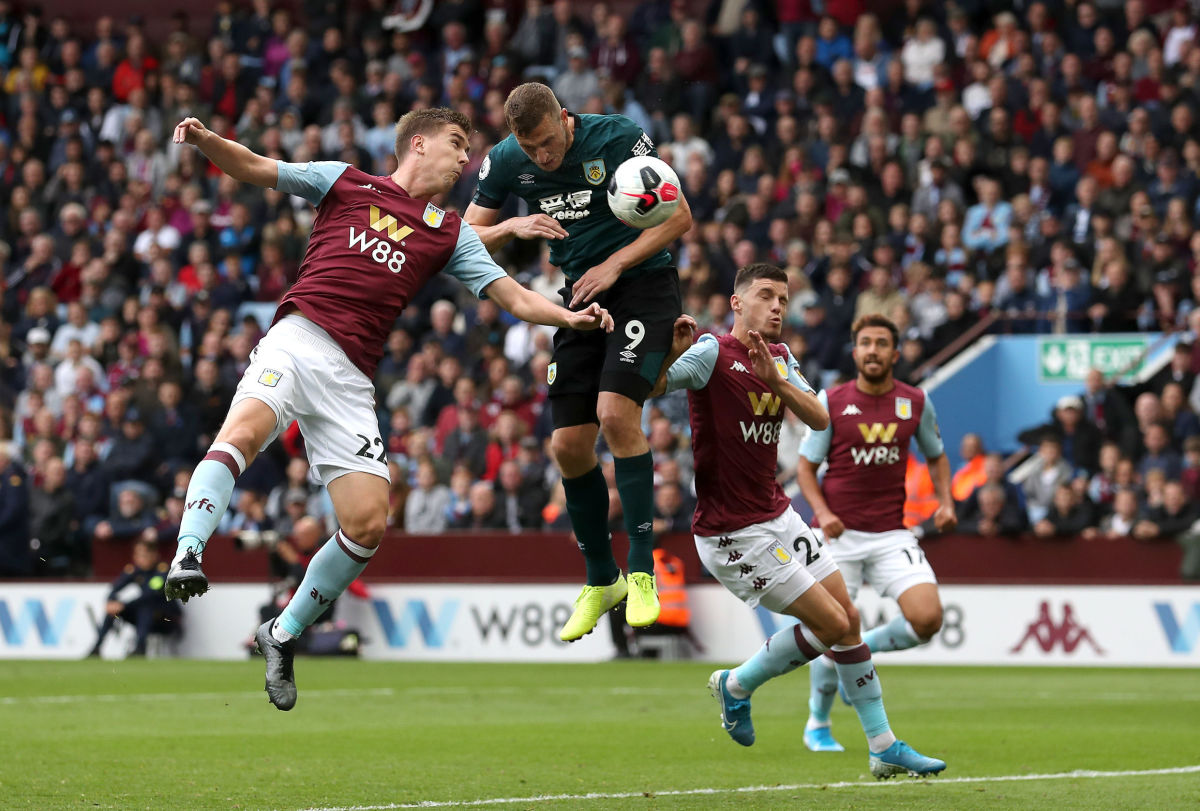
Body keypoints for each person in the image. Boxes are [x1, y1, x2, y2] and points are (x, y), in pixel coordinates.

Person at [164, 108, 614, 711]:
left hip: (351, 378)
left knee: (369, 522)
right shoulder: (343, 181)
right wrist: (203, 139)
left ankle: (282, 632)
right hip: (298, 340)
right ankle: (189, 551)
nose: (464, 160)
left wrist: (570, 316)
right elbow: (251, 166)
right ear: (417, 144)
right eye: (457, 145)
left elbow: (513, 296)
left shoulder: (447, 232)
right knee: (244, 431)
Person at [653, 264, 945, 779]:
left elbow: (818, 416)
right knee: (831, 624)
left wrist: (776, 382)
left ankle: (882, 746)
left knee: (847, 619)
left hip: (777, 513)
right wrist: (673, 352)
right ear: (737, 303)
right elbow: (650, 389)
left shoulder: (782, 357)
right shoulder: (711, 353)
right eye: (766, 296)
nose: (777, 308)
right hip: (731, 531)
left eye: (783, 299)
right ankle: (739, 684)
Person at [464, 82, 694, 640]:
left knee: (616, 414)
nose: (541, 157)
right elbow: (466, 234)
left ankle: (641, 571)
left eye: (547, 143)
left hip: (641, 284)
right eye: (530, 148)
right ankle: (602, 579)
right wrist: (510, 226)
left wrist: (614, 265)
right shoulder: (505, 161)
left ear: (565, 120)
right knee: (565, 445)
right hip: (579, 297)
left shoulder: (615, 137)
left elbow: (679, 216)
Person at [797, 313, 957, 753]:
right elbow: (805, 468)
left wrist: (946, 501)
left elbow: (938, 455)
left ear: (895, 353)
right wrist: (823, 512)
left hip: (891, 534)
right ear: (855, 351)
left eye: (881, 343)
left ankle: (863, 648)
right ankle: (818, 722)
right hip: (838, 535)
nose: (872, 350)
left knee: (927, 619)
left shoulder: (916, 402)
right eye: (865, 342)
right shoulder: (831, 400)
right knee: (830, 630)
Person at [88, 539, 182, 657]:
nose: (138, 558)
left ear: (154, 555)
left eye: (143, 555)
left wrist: (123, 605)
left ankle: (140, 648)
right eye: (137, 555)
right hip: (142, 617)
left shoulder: (163, 570)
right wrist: (112, 601)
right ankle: (97, 647)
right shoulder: (135, 570)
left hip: (165, 618)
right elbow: (115, 588)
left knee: (146, 607)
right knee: (114, 611)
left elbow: (151, 594)